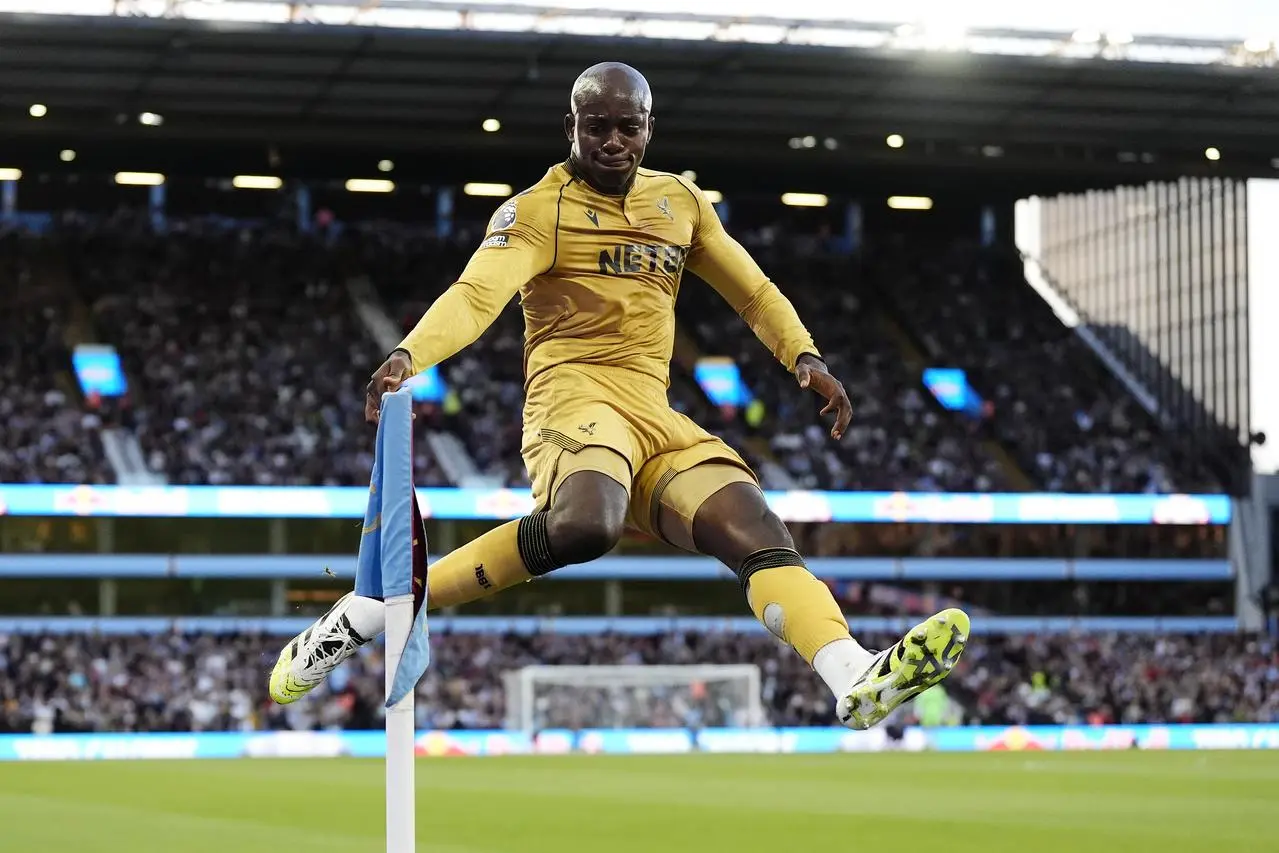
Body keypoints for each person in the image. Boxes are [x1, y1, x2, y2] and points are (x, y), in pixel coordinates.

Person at [269, 62, 969, 730]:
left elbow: (752, 290)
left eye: (627, 127)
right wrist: (408, 354)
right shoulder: (538, 211)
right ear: (569, 127)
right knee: (587, 525)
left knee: (755, 528)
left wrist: (803, 354)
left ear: (648, 128)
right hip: (573, 399)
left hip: (653, 414)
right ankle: (375, 609)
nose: (612, 141)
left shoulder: (680, 204)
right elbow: (477, 294)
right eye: (596, 125)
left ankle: (850, 672)